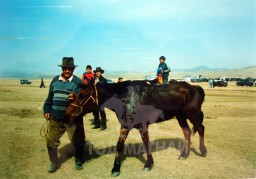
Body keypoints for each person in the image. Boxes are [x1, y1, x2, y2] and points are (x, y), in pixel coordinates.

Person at [43, 57, 85, 173]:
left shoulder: (78, 82)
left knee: (78, 140)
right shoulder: (55, 80)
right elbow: (50, 98)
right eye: (65, 68)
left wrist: (75, 98)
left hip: (72, 119)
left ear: (73, 69)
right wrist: (46, 110)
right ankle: (53, 162)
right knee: (51, 140)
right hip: (55, 118)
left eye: (70, 69)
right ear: (62, 68)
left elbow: (83, 101)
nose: (67, 71)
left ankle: (78, 160)